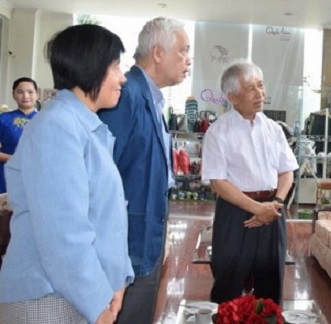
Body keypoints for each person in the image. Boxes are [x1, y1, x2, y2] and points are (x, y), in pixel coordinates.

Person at [0, 24, 134, 324]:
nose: (122, 77)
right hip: (48, 300)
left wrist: (115, 282)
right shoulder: (57, 127)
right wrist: (98, 305)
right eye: (115, 67)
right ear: (92, 68)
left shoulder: (84, 127)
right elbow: (64, 233)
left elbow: (104, 218)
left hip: (79, 296)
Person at [98, 17, 192, 324]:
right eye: (183, 51)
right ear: (158, 53)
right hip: (126, 237)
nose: (188, 60)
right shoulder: (127, 94)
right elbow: (104, 170)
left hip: (145, 228)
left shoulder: (150, 96)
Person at [201, 60, 298, 305]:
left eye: (261, 86)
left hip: (273, 211)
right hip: (236, 214)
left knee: (271, 283)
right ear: (232, 97)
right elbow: (218, 183)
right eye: (251, 88)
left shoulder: (274, 129)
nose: (260, 93)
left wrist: (275, 203)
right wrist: (258, 209)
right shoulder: (218, 131)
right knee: (228, 282)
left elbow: (287, 172)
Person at [0, 77, 39, 264]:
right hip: (7, 176)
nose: (26, 96)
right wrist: (16, 160)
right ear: (14, 94)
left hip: (35, 178)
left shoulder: (45, 119)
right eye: (21, 92)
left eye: (30, 92)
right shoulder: (3, 119)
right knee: (5, 224)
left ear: (37, 94)